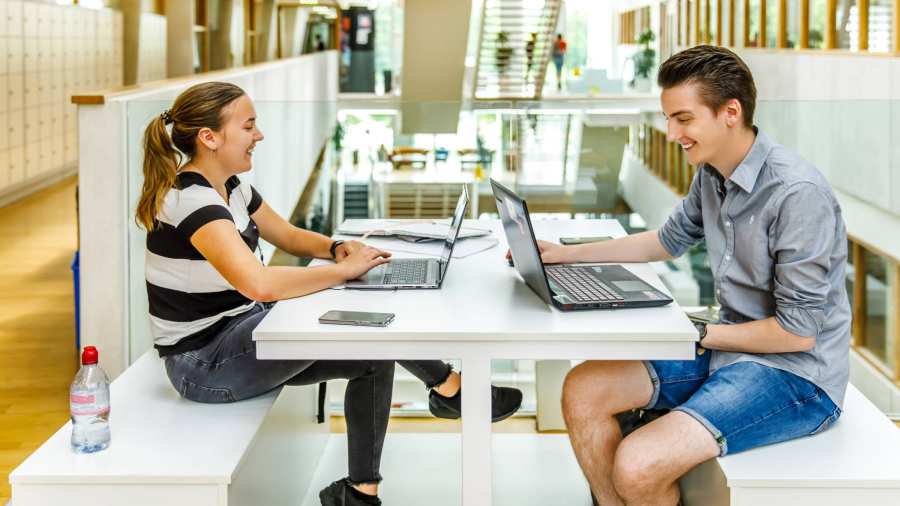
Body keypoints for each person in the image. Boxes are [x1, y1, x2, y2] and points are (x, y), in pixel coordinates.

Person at [137, 82, 522, 506]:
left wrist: (337, 248)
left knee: (372, 354)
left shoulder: (231, 186)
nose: (258, 136)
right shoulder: (191, 200)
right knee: (347, 304)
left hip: (240, 330)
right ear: (209, 138)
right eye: (249, 126)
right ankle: (452, 389)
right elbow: (259, 283)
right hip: (204, 363)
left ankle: (360, 492)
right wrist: (342, 273)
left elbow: (286, 234)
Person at [547, 46, 850, 506]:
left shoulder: (796, 194)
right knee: (582, 389)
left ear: (731, 112)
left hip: (796, 376)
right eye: (669, 119)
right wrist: (565, 256)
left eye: (683, 119)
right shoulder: (712, 172)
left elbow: (797, 334)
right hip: (728, 346)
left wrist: (702, 332)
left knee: (637, 461)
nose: (672, 133)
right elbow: (664, 242)